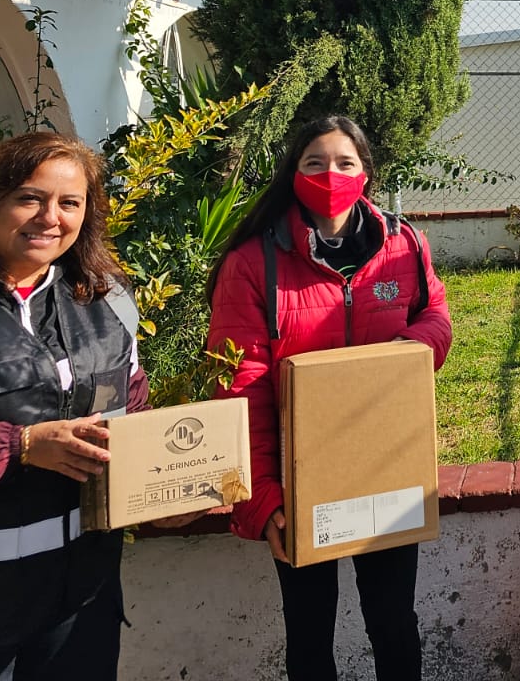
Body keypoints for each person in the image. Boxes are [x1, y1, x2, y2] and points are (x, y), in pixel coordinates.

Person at [207, 114, 452, 681]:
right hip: (300, 481)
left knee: (395, 623)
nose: (330, 174)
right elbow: (239, 388)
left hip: (387, 468)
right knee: (310, 633)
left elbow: (435, 314)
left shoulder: (403, 244)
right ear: (292, 172)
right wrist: (262, 498)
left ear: (366, 172)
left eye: (345, 162)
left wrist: (407, 351)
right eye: (314, 162)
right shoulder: (253, 263)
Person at [0, 132, 147, 680]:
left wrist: (169, 482)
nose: (50, 217)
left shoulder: (107, 300)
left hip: (80, 600)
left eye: (70, 202)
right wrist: (21, 446)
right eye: (29, 198)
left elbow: (128, 417)